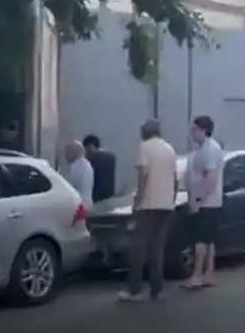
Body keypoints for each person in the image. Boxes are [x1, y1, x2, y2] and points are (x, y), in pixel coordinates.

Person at [118, 120, 178, 303]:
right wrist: (171, 200)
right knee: (157, 249)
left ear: (144, 132)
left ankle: (134, 291)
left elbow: (143, 177)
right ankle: (157, 290)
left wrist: (137, 202)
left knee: (138, 248)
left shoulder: (144, 147)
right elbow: (175, 181)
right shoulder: (170, 149)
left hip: (149, 205)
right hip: (167, 206)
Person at [182, 115, 224, 290]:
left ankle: (198, 275)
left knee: (201, 241)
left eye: (195, 129)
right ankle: (208, 273)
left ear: (204, 130)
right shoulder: (199, 150)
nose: (191, 133)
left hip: (207, 202)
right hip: (203, 201)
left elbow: (211, 177)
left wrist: (199, 199)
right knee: (207, 240)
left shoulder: (211, 149)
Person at [83, 134, 117, 203]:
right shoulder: (111, 157)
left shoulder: (92, 160)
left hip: (96, 197)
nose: (86, 152)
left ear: (90, 146)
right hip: (109, 194)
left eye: (86, 149)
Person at [63, 140, 94, 207]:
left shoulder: (75, 167)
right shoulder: (87, 164)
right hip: (87, 202)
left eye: (67, 152)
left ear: (73, 152)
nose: (65, 155)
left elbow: (66, 187)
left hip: (78, 205)